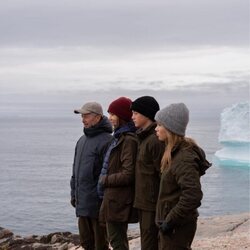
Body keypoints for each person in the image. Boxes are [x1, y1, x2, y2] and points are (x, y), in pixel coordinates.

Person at [154, 103, 211, 250]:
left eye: (159, 125)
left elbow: (193, 195)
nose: (156, 128)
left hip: (177, 226)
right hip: (172, 224)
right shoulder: (174, 152)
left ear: (170, 128)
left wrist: (170, 221)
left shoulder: (183, 158)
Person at [70, 101, 113, 250]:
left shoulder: (108, 141)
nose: (83, 119)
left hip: (98, 206)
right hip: (82, 203)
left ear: (97, 117)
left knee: (100, 245)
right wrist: (73, 194)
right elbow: (75, 171)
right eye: (82, 116)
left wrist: (104, 203)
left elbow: (108, 174)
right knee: (86, 243)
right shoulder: (81, 141)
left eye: (86, 116)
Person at [98, 97, 138, 250]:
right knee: (116, 241)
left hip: (118, 201)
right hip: (113, 198)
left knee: (117, 242)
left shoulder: (128, 140)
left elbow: (128, 173)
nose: (110, 118)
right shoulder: (119, 138)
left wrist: (104, 180)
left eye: (113, 114)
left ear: (122, 116)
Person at [131, 96, 165, 250]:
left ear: (147, 114)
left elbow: (163, 175)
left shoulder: (155, 140)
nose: (132, 117)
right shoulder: (143, 138)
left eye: (136, 113)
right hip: (145, 203)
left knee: (150, 245)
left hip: (152, 205)